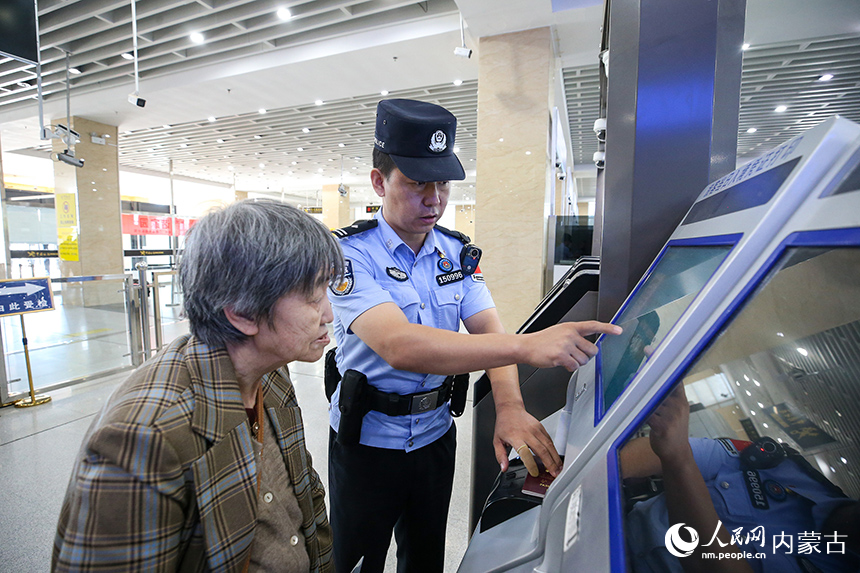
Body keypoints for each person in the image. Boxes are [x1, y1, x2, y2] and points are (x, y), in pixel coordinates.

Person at [326, 98, 622, 573]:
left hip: (435, 437)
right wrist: (529, 345)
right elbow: (399, 345)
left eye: (442, 182)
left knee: (424, 559)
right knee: (357, 562)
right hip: (367, 444)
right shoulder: (348, 255)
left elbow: (487, 330)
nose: (434, 198)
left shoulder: (456, 253)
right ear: (380, 182)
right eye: (417, 182)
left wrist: (509, 405)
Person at [53, 200, 341, 572]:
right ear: (243, 312)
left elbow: (305, 499)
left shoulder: (270, 372)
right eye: (313, 296)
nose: (330, 313)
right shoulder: (144, 437)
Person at [620, 384, 860, 573]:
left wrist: (678, 458)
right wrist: (602, 472)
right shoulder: (783, 465)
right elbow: (660, 450)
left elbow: (711, 566)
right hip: (614, 524)